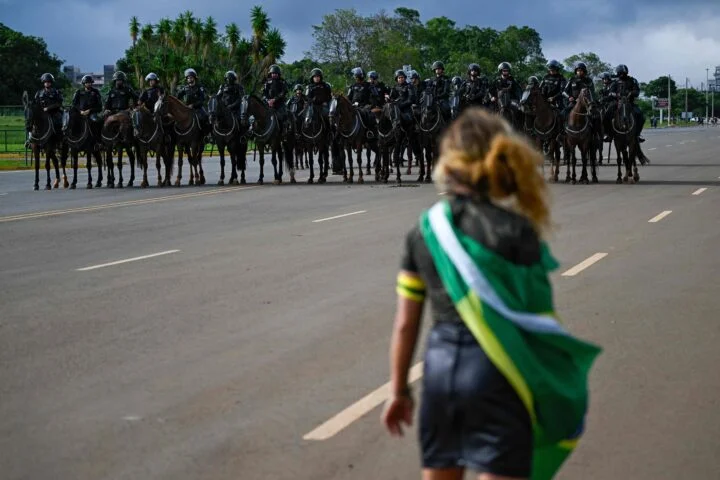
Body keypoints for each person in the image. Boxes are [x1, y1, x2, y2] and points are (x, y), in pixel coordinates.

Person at [382, 107, 602, 480]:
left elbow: (405, 324)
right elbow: (538, 322)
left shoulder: (424, 230)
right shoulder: (517, 230)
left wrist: (399, 390)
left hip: (440, 374)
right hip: (498, 375)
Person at [608, 64, 645, 143]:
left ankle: (637, 134)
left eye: (624, 73)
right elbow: (610, 93)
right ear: (618, 73)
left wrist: (631, 93)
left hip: (629, 103)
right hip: (617, 102)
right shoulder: (615, 82)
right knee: (607, 113)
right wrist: (617, 95)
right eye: (621, 73)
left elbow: (637, 92)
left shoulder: (632, 80)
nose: (622, 75)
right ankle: (609, 134)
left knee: (640, 115)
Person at [27, 73, 64, 144]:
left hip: (53, 113)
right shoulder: (39, 92)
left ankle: (60, 139)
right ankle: (30, 140)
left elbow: (59, 103)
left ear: (51, 82)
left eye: (48, 82)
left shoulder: (56, 92)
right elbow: (35, 103)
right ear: (43, 83)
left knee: (58, 123)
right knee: (30, 122)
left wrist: (48, 108)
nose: (47, 83)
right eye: (45, 82)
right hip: (41, 114)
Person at [176, 67, 210, 138]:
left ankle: (206, 135)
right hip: (187, 109)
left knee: (206, 117)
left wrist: (193, 105)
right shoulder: (184, 88)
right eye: (188, 78)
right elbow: (177, 98)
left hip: (198, 108)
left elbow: (202, 100)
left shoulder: (200, 87)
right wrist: (178, 92)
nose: (189, 79)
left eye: (191, 77)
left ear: (194, 78)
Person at [70, 74, 103, 140]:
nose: (89, 84)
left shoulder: (96, 92)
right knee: (70, 121)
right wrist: (80, 111)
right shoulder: (78, 92)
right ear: (84, 83)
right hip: (80, 113)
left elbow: (99, 106)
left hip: (92, 113)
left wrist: (90, 110)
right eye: (87, 83)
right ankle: (70, 139)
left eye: (90, 82)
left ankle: (98, 141)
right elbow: (74, 104)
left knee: (98, 122)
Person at [262, 64, 289, 133]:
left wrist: (274, 100)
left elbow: (283, 92)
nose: (274, 75)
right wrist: (268, 100)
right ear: (270, 74)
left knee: (284, 116)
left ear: (278, 74)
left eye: (276, 73)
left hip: (280, 104)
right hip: (268, 103)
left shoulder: (282, 82)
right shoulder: (267, 82)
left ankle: (284, 132)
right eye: (273, 73)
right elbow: (264, 93)